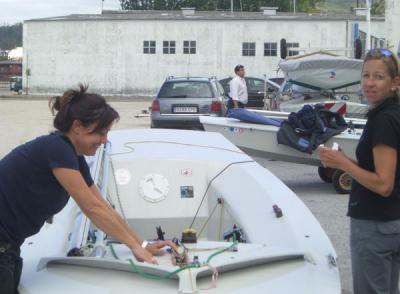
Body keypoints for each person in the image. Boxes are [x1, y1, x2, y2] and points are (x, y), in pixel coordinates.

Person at [0, 85, 176, 294]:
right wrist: (135, 247)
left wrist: (142, 243)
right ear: (77, 127)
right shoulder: (56, 148)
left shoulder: (74, 156)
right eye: (101, 133)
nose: (105, 140)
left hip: (9, 246)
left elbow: (102, 205)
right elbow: (91, 209)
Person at [318, 48, 400, 294]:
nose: (370, 83)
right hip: (391, 223)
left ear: (395, 83)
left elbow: (384, 184)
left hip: (375, 225)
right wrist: (342, 160)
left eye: (378, 77)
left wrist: (343, 163)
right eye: (366, 76)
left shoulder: (385, 119)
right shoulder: (391, 113)